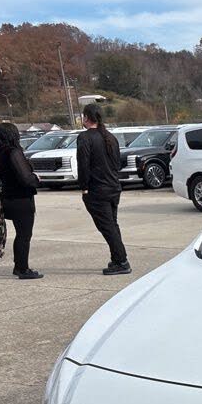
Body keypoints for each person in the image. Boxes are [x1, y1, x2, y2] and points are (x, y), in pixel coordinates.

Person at [77, 104, 131, 275]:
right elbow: (116, 164)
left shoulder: (85, 138)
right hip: (113, 187)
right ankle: (117, 258)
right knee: (112, 225)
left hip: (97, 190)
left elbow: (83, 165)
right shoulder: (110, 137)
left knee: (107, 227)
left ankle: (122, 261)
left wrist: (84, 187)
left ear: (86, 117)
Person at [0, 122, 42, 279]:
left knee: (20, 234)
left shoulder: (0, 152)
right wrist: (35, 178)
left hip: (9, 198)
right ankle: (22, 268)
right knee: (24, 235)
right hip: (20, 199)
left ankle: (19, 266)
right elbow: (25, 177)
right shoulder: (14, 152)